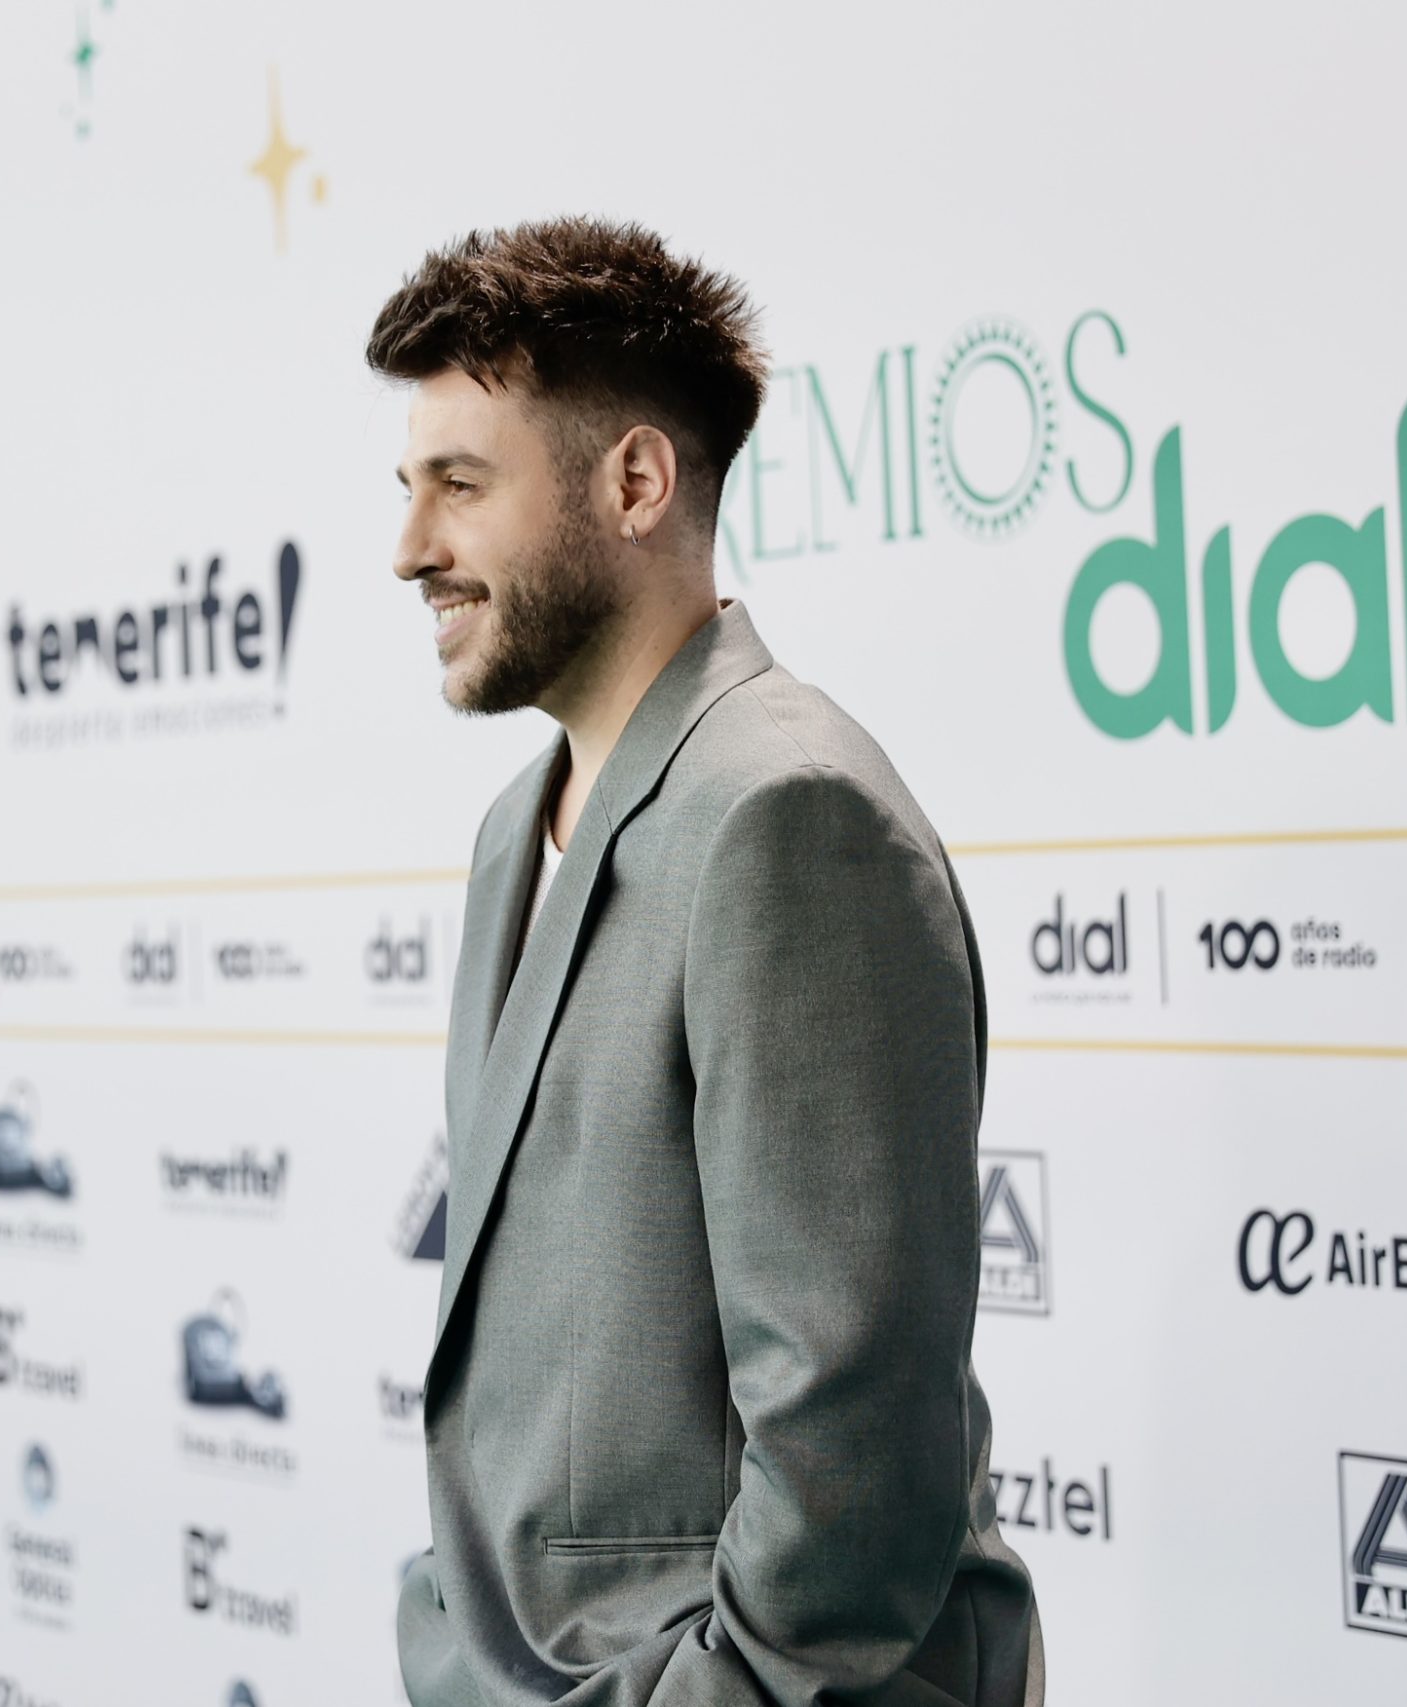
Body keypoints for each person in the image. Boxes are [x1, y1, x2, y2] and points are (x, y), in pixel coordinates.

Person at [370, 218, 1042, 1707]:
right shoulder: (510, 836)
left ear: (635, 482)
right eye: (408, 488)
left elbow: (849, 1457)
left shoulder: (791, 813)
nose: (410, 547)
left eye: (461, 485)